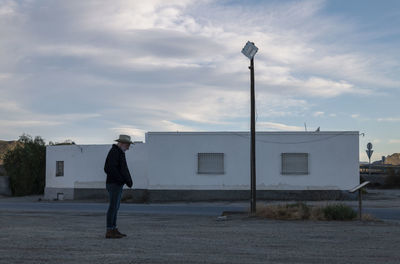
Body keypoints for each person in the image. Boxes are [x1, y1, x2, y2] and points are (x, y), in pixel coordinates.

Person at [104, 134, 134, 239]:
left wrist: (128, 180)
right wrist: (121, 179)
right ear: (121, 143)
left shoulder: (119, 152)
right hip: (113, 184)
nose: (129, 147)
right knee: (113, 207)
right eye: (127, 145)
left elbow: (123, 169)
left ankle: (113, 228)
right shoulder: (114, 152)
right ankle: (109, 230)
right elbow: (108, 168)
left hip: (117, 183)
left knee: (115, 207)